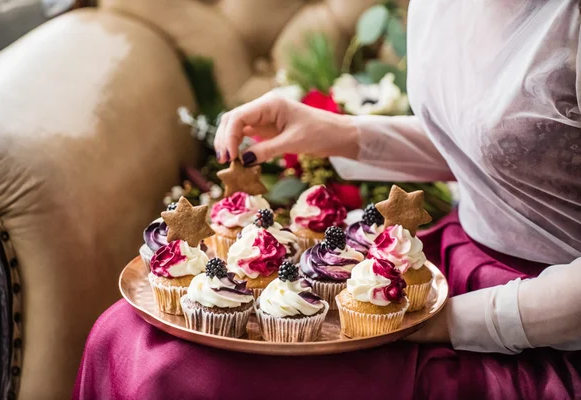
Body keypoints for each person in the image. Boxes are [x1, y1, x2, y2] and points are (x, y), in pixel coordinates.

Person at [74, 2, 581, 399]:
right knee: (120, 335)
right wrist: (332, 133)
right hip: (444, 260)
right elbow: (509, 152)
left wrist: (449, 321)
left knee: (165, 369)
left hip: (542, 324)